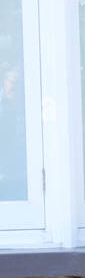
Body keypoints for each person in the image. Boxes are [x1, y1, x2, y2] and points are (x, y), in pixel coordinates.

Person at [0, 67, 25, 201]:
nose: (15, 86)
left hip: (19, 161)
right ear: (4, 81)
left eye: (18, 83)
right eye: (12, 82)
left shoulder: (25, 100)